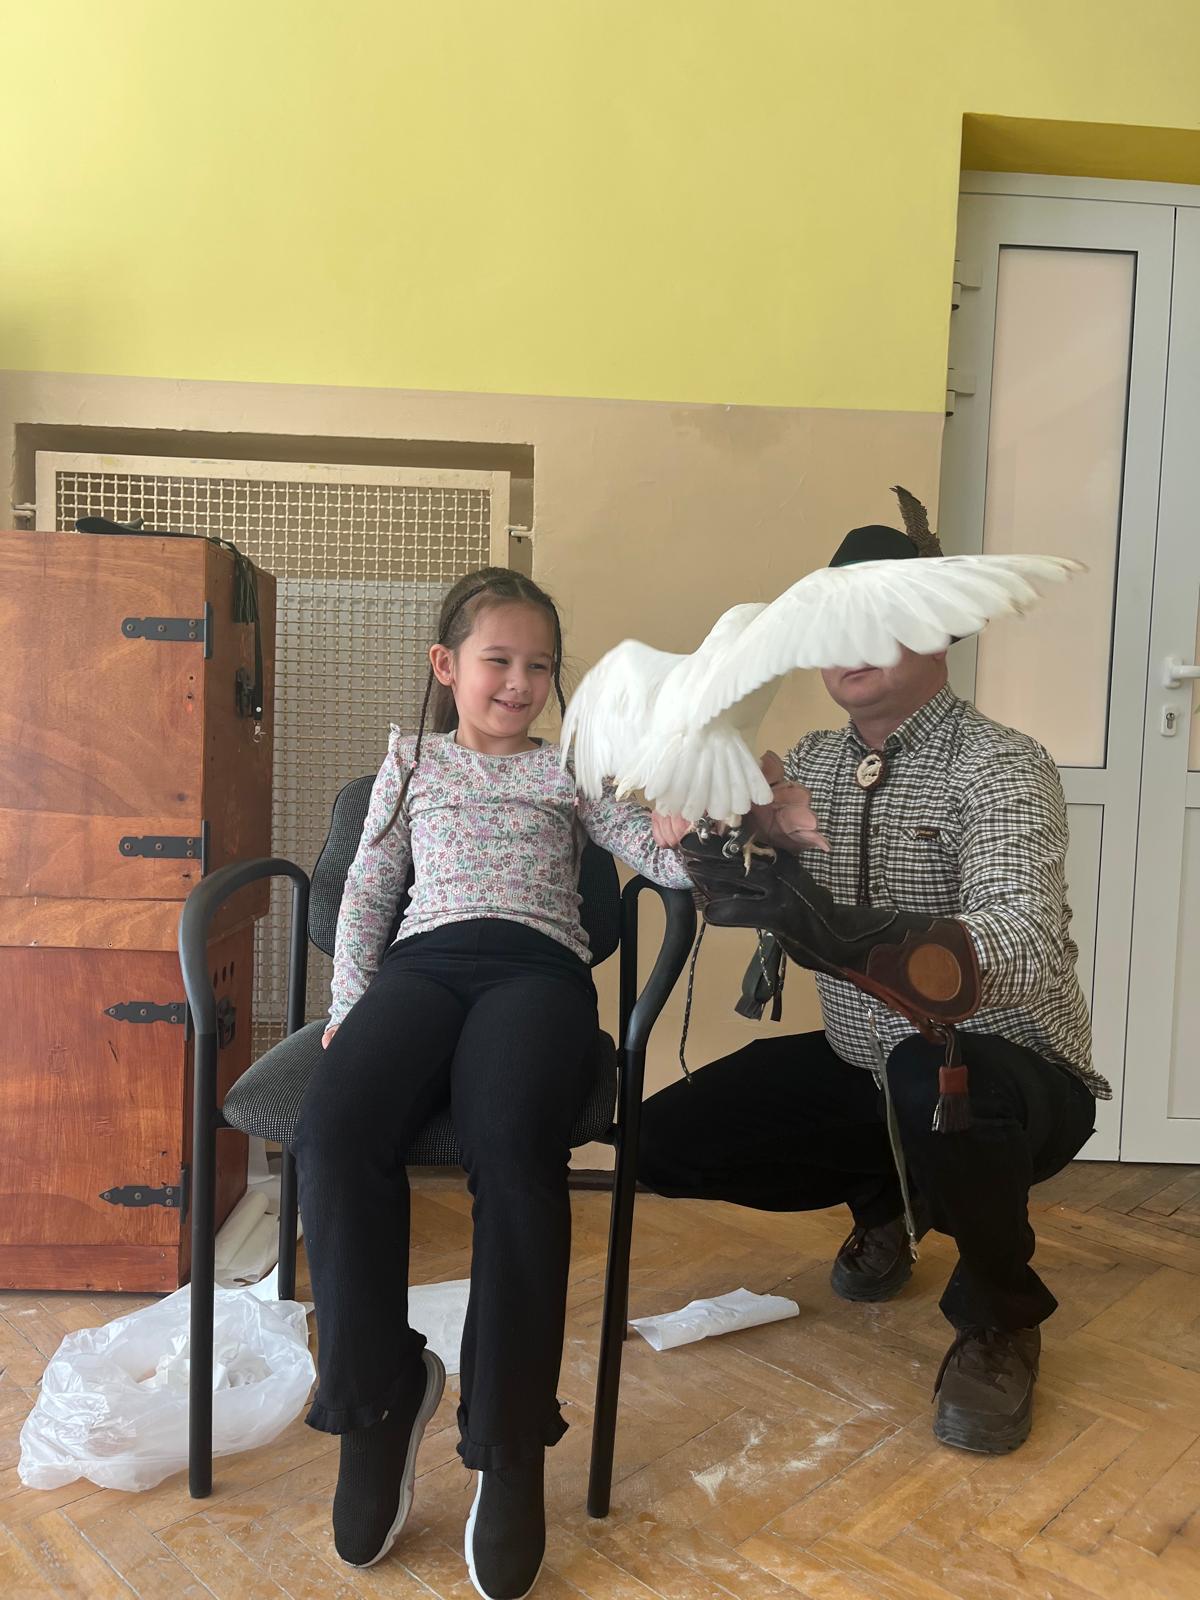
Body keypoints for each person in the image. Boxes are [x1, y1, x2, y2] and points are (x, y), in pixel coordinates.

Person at [641, 518, 1107, 1456]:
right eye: (832, 624)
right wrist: (709, 834)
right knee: (658, 1143)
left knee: (925, 1077)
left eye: (877, 618)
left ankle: (999, 1317)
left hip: (1009, 1077)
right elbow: (717, 859)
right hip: (868, 1065)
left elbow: (1020, 942)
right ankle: (888, 1199)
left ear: (940, 625)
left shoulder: (1001, 761)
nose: (846, 645)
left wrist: (841, 928)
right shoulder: (809, 761)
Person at [293, 567, 692, 1597]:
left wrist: (694, 827)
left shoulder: (572, 770)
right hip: (422, 967)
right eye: (498, 660)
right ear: (447, 665)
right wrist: (349, 1007)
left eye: (540, 666)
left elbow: (662, 859)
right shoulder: (411, 762)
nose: (520, 683)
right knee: (332, 1131)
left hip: (535, 971)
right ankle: (379, 1399)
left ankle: (508, 1440)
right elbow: (369, 888)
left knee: (511, 1143)